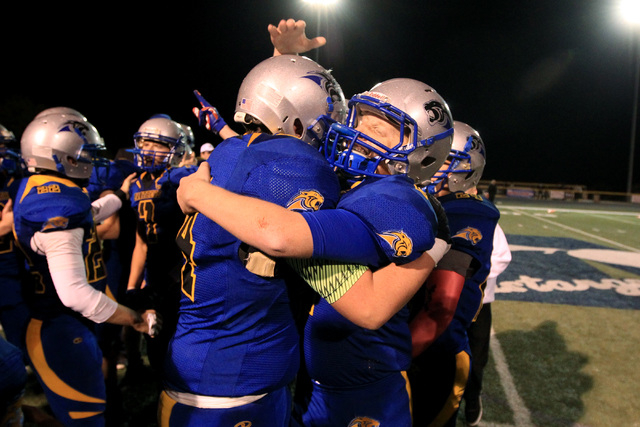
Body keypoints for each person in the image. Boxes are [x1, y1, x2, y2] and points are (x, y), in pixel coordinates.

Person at [175, 77, 455, 426]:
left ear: (422, 155)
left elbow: (283, 235)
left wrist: (196, 192)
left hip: (365, 389)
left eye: (379, 130)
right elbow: (269, 150)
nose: (357, 133)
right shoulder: (345, 179)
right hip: (310, 380)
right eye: (360, 119)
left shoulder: (396, 202)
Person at [12, 109, 159, 426]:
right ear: (63, 155)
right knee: (87, 421)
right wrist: (134, 319)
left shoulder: (45, 186)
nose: (93, 162)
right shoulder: (55, 206)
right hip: (62, 327)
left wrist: (117, 196)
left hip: (69, 324)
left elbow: (87, 214)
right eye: (87, 154)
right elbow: (76, 294)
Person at [409, 121, 500, 427]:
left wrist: (391, 355)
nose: (430, 163)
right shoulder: (430, 201)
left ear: (466, 168)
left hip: (435, 352)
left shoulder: (469, 212)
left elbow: (442, 309)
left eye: (445, 159)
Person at [125, 115, 196, 379]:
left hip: (181, 273)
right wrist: (133, 287)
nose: (147, 150)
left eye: (157, 145)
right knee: (156, 345)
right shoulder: (136, 182)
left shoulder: (182, 178)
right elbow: (140, 242)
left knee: (181, 343)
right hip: (154, 274)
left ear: (174, 150)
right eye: (144, 142)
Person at [463, 222, 511, 426]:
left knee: (477, 355)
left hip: (480, 301)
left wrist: (469, 274)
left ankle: (472, 397)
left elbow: (502, 256)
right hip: (444, 297)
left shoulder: (487, 219)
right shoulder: (441, 210)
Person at [0, 124, 30, 361]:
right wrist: (4, 226)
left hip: (13, 271)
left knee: (21, 338)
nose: (5, 153)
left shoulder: (16, 182)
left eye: (5, 146)